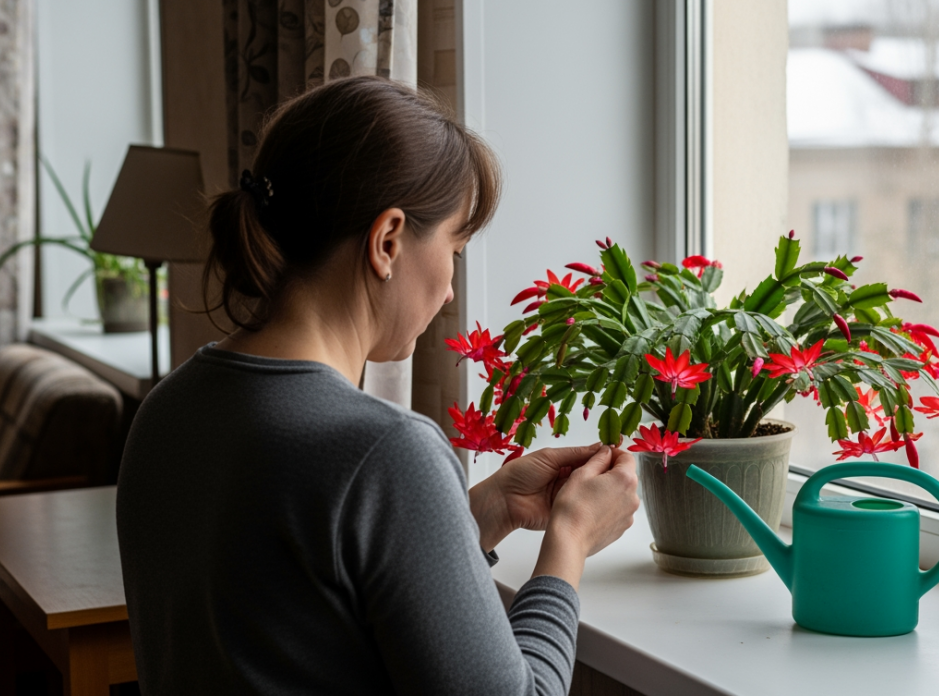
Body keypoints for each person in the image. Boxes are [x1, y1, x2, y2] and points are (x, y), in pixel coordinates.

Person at [116, 75, 641, 695]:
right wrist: (570, 543)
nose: (449, 289)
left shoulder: (168, 410)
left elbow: (303, 598)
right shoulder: (385, 452)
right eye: (456, 248)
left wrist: (481, 511)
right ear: (387, 240)